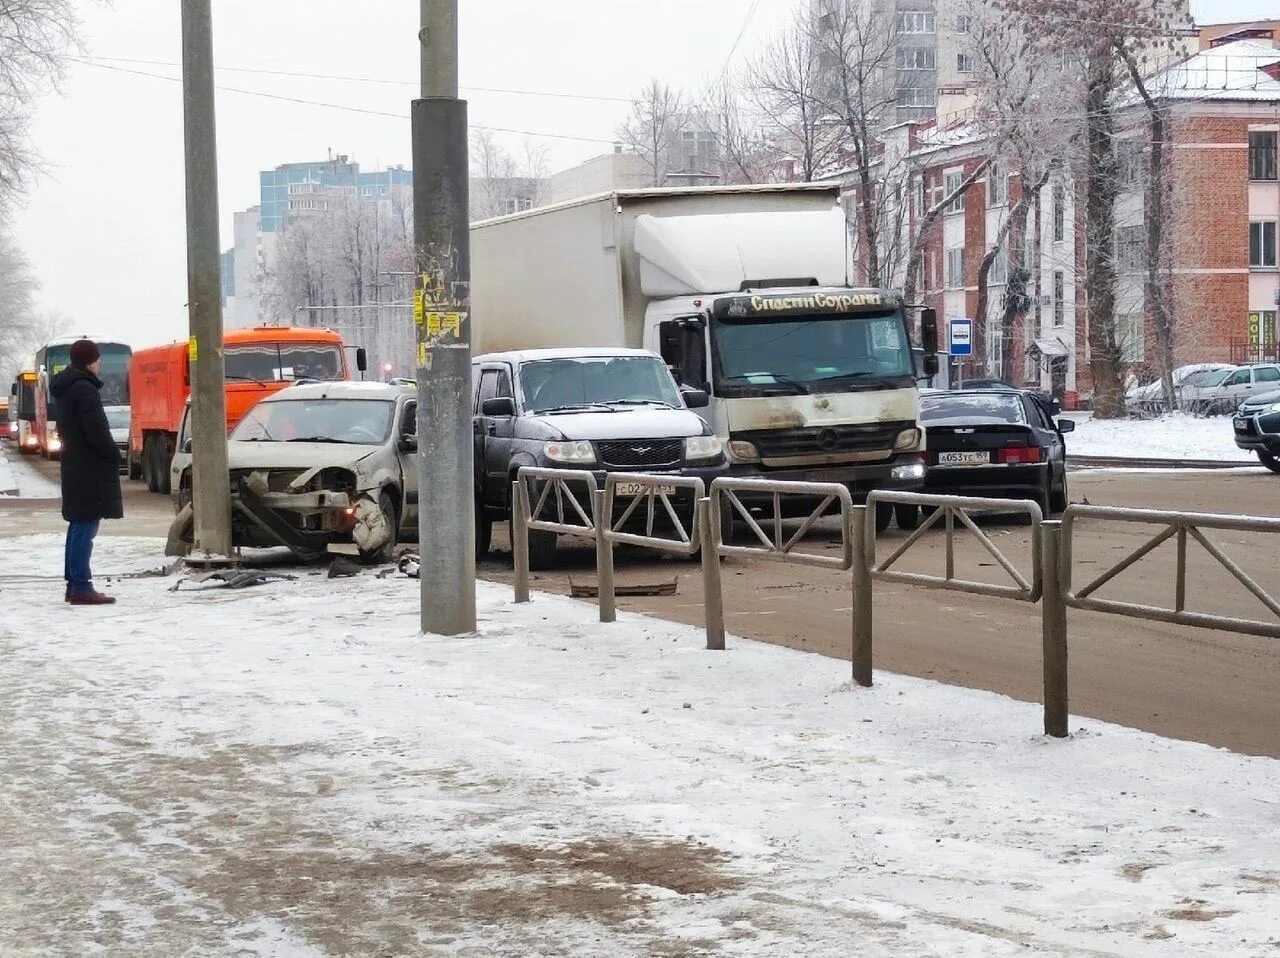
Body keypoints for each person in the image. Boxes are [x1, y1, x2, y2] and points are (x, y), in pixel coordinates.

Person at [51, 339, 123, 605]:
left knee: (78, 523)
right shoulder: (84, 390)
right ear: (90, 361)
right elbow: (96, 430)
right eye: (98, 358)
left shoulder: (68, 387)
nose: (100, 363)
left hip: (74, 464)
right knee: (86, 525)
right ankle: (81, 586)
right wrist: (113, 454)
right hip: (88, 467)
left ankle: (74, 584)